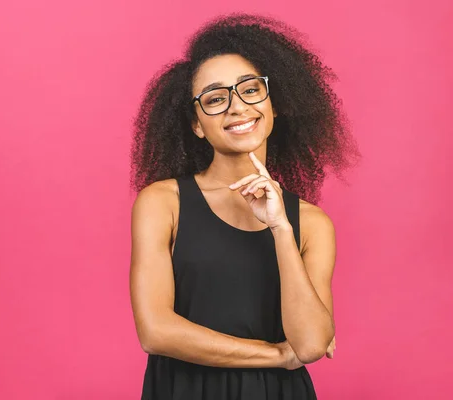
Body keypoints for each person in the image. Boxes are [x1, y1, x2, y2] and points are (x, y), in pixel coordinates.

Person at [129, 13, 360, 400]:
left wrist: (281, 229)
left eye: (250, 90)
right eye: (216, 99)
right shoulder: (162, 203)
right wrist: (274, 356)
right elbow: (155, 332)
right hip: (185, 390)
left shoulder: (310, 223)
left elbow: (309, 345)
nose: (237, 107)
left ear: (274, 104)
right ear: (197, 124)